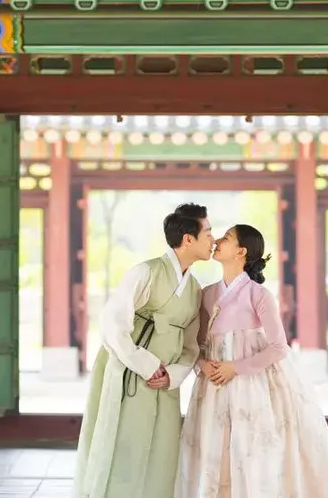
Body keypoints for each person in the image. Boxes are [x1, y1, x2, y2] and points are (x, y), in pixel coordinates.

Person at [175, 224, 328, 497]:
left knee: (249, 451)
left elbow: (278, 347)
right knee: (213, 451)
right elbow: (198, 342)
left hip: (251, 387)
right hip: (213, 386)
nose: (217, 240)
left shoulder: (259, 295)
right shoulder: (207, 294)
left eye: (226, 238)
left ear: (241, 251)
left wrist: (235, 368)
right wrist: (202, 365)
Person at [75, 203, 215, 498]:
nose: (212, 240)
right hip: (131, 372)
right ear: (188, 239)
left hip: (165, 382)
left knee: (162, 453)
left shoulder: (193, 290)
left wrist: (173, 375)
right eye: (208, 233)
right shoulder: (146, 272)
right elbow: (113, 323)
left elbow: (191, 345)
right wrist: (146, 364)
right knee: (124, 447)